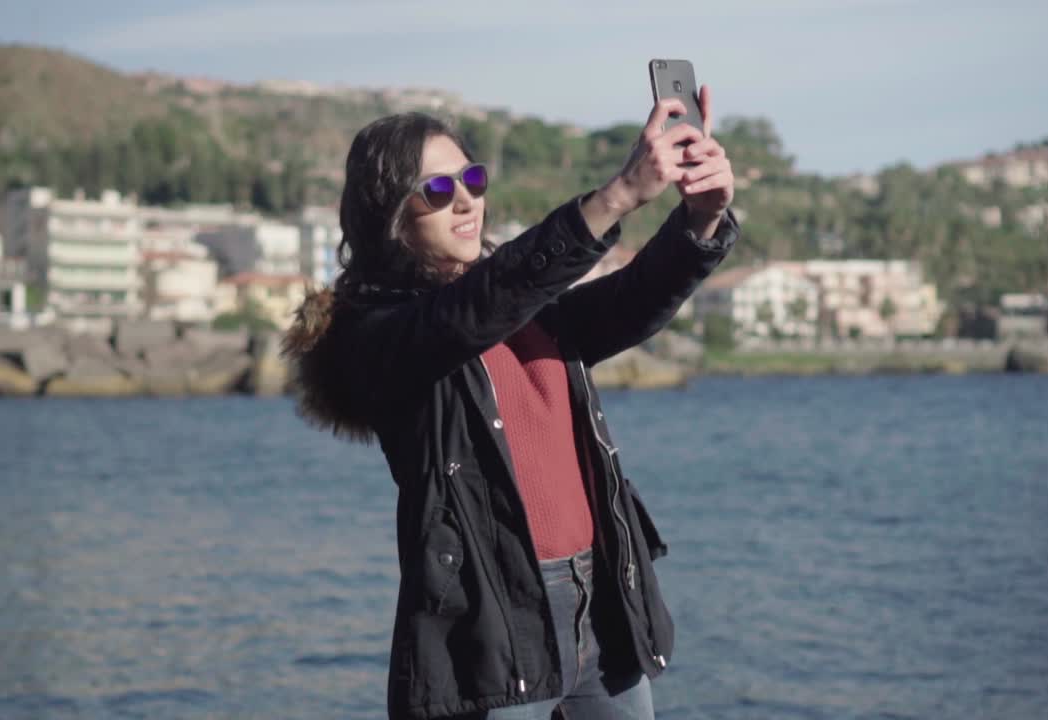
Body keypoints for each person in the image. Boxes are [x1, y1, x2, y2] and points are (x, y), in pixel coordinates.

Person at [282, 88, 739, 719]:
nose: (466, 200)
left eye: (471, 179)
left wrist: (701, 220)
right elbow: (470, 314)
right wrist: (616, 196)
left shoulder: (522, 305)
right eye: (437, 190)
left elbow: (628, 301)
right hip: (494, 622)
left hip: (602, 602)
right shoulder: (380, 332)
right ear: (388, 214)